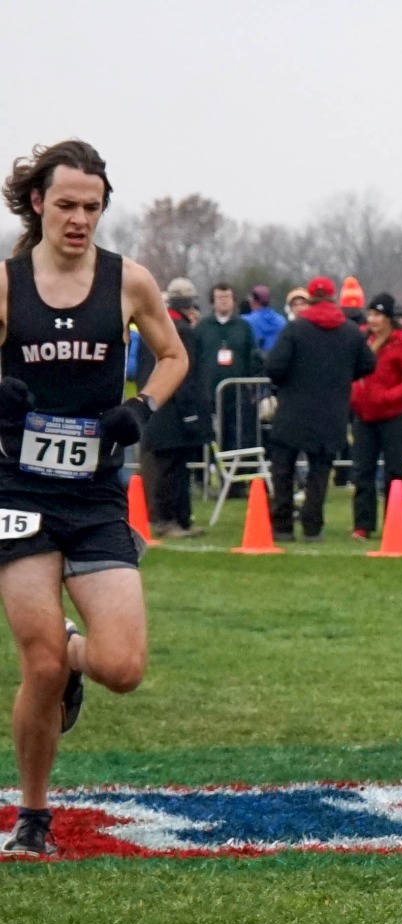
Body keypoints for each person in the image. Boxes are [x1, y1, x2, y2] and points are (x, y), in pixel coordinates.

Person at [0, 139, 187, 856]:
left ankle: (79, 655)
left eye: (92, 206)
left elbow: (173, 354)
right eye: (67, 204)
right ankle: (34, 816)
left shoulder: (128, 281)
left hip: (95, 495)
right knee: (37, 664)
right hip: (17, 491)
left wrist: (140, 409)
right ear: (39, 203)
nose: (79, 219)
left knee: (122, 668)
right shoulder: (10, 284)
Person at [263, 276, 373, 541]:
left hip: (293, 410)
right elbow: (368, 364)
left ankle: (283, 525)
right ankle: (313, 526)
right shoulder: (349, 331)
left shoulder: (295, 330)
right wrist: (344, 376)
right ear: (334, 298)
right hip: (331, 411)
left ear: (310, 298)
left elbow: (274, 367)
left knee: (284, 470)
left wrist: (286, 382)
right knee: (319, 472)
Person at [350, 293, 402, 539]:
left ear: (389, 318)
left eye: (378, 315)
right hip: (364, 415)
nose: (372, 319)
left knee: (395, 472)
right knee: (362, 472)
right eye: (370, 314)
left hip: (393, 416)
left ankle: (397, 521)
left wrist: (389, 396)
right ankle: (363, 524)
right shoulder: (361, 340)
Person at [137, 278, 207, 538]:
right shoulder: (182, 331)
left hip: (155, 404)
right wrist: (191, 413)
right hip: (174, 409)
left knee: (169, 466)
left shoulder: (152, 328)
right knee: (172, 468)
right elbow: (185, 375)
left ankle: (180, 518)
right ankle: (167, 520)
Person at [192, 281, 260, 456]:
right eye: (219, 297)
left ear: (234, 300)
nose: (223, 301)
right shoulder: (202, 327)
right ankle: (204, 473)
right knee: (208, 436)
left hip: (236, 394)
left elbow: (252, 356)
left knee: (235, 436)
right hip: (208, 392)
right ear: (212, 301)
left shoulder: (243, 327)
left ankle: (234, 476)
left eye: (227, 297)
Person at [242, 284, 285, 352]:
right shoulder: (282, 321)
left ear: (253, 301)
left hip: (255, 360)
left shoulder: (245, 321)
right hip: (278, 360)